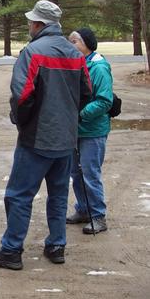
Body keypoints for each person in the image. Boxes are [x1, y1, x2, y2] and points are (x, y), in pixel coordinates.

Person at [0, 0, 92, 270]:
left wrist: (22, 123)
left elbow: (22, 95)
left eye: (31, 21)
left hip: (37, 139)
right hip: (66, 140)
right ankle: (56, 246)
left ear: (39, 24)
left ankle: (11, 250)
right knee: (57, 195)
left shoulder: (33, 52)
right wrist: (66, 117)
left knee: (19, 195)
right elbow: (86, 93)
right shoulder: (76, 54)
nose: (29, 25)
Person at [67, 28, 112, 234]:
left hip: (92, 130)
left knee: (90, 173)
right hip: (75, 129)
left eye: (74, 41)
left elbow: (104, 101)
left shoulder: (99, 67)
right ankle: (84, 209)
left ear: (86, 44)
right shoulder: (76, 64)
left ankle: (98, 215)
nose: (71, 45)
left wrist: (81, 114)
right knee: (76, 172)